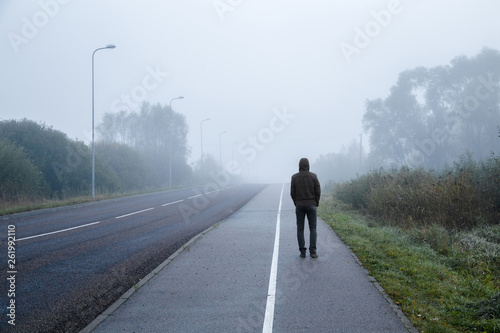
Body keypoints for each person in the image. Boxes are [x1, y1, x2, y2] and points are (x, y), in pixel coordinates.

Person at [290, 158, 321, 258]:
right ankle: (313, 251)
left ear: (299, 165)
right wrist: (316, 202)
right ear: (308, 165)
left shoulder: (294, 177)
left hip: (299, 205)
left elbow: (292, 193)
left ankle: (302, 252)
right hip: (311, 204)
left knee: (300, 228)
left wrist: (296, 202)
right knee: (313, 228)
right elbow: (318, 191)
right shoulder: (313, 176)